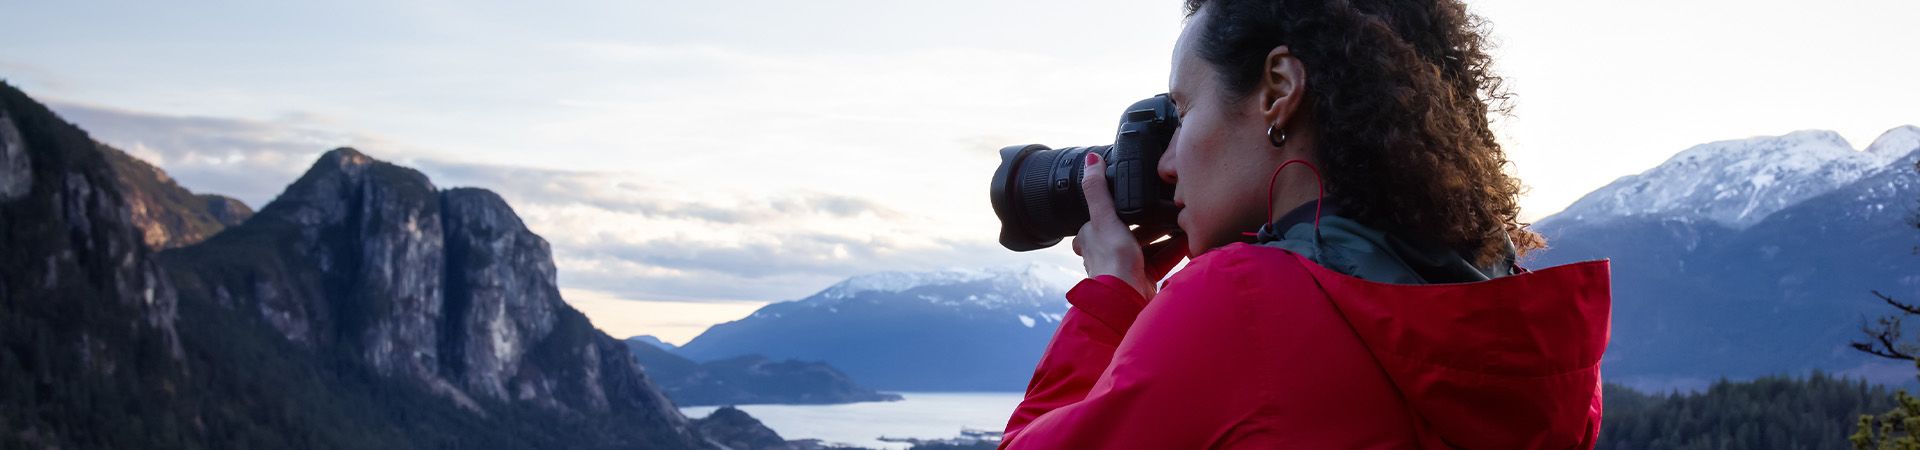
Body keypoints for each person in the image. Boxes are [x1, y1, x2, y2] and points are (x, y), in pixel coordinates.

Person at [998, 0, 1612, 448]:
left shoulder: (1239, 303)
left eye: (1182, 113)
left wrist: (1112, 297)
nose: (1163, 163)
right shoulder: (1515, 328)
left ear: (1277, 91)